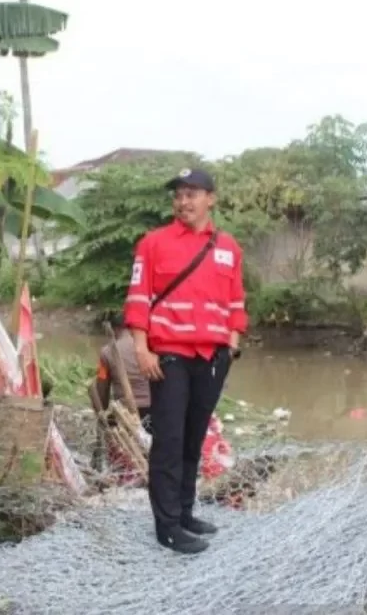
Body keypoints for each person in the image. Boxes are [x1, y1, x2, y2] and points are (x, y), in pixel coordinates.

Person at [123, 167, 246, 554]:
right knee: (169, 441)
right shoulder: (153, 243)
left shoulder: (228, 247)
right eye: (178, 194)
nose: (183, 201)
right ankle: (168, 525)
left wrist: (232, 345)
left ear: (211, 198)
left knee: (195, 439)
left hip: (212, 356)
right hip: (170, 356)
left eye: (192, 193)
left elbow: (236, 303)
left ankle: (186, 512)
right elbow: (138, 299)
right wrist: (142, 349)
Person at [90, 313, 152, 429]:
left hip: (125, 414)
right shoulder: (148, 345)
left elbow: (102, 391)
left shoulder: (107, 352)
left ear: (114, 329)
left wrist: (102, 415)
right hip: (153, 410)